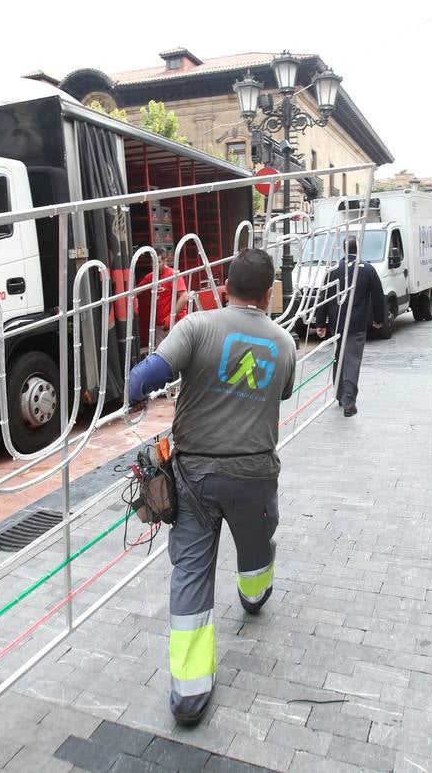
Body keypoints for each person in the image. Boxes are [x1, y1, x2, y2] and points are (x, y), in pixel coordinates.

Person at [126, 248, 296, 724]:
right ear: (268, 294)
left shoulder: (196, 326)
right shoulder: (283, 342)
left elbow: (146, 378)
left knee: (191, 575)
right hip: (256, 476)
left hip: (195, 477)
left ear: (223, 288)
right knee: (257, 546)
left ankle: (189, 695)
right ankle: (254, 595)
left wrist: (134, 392)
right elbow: (280, 392)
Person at [312, 236, 387, 417]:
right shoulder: (367, 269)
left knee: (339, 358)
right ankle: (349, 402)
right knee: (352, 361)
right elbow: (378, 296)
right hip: (356, 323)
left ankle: (339, 394)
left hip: (336, 323)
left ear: (344, 249)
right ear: (358, 248)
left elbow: (324, 297)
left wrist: (320, 323)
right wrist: (379, 319)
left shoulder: (333, 270)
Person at [136, 246, 192, 346]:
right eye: (152, 262)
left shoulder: (173, 274)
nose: (155, 265)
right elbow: (137, 291)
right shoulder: (150, 277)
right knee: (161, 355)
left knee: (178, 352)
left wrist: (171, 316)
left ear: (165, 261)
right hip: (160, 325)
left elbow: (184, 296)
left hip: (176, 322)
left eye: (158, 262)